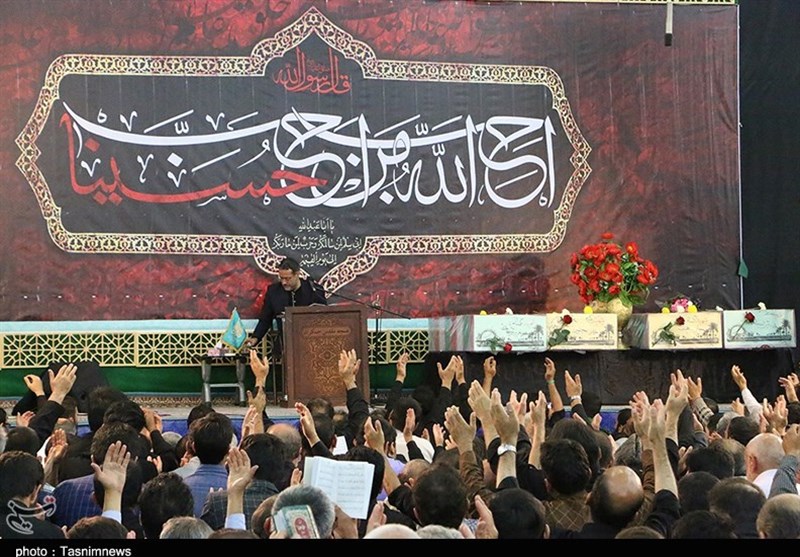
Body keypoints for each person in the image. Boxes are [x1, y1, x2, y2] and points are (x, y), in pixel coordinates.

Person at [247, 256, 327, 349]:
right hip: (285, 345)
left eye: (287, 278)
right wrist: (255, 337)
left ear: (297, 274)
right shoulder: (274, 292)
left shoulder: (313, 290)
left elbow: (324, 317)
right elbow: (265, 319)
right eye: (281, 278)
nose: (284, 282)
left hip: (312, 344)